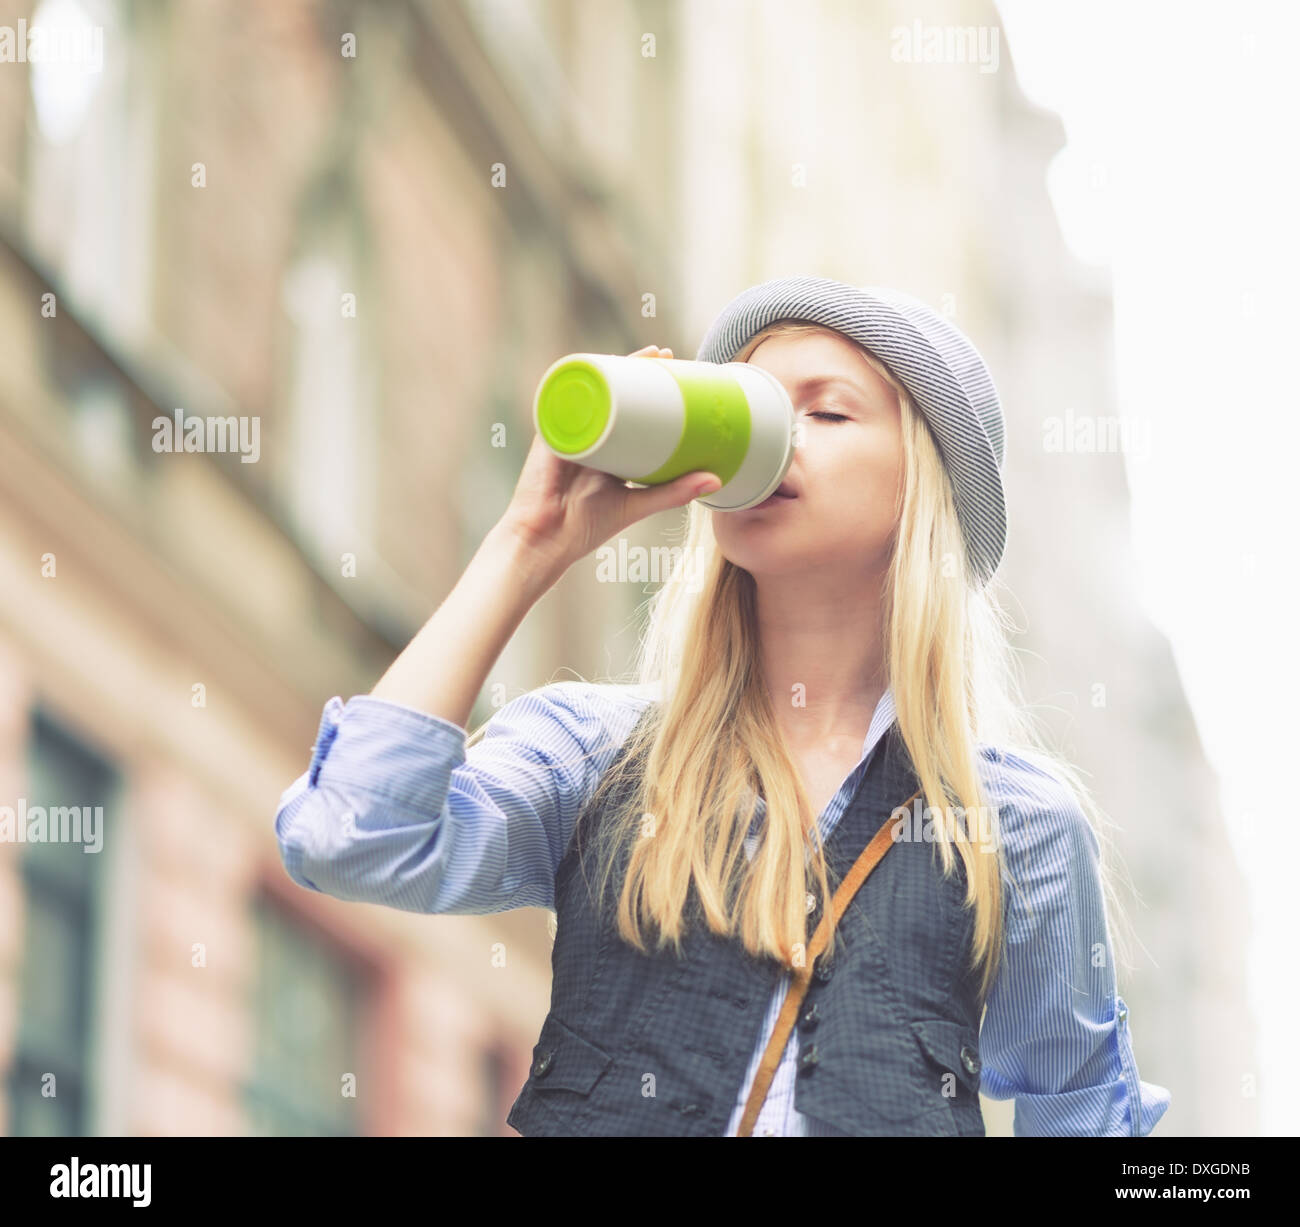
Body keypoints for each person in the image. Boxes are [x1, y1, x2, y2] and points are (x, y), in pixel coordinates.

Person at [274, 275, 1172, 1137]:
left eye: (823, 412)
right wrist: (527, 545)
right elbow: (350, 837)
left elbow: (1085, 1115)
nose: (776, 441)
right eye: (752, 410)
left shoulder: (1016, 826)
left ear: (922, 489)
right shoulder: (597, 756)